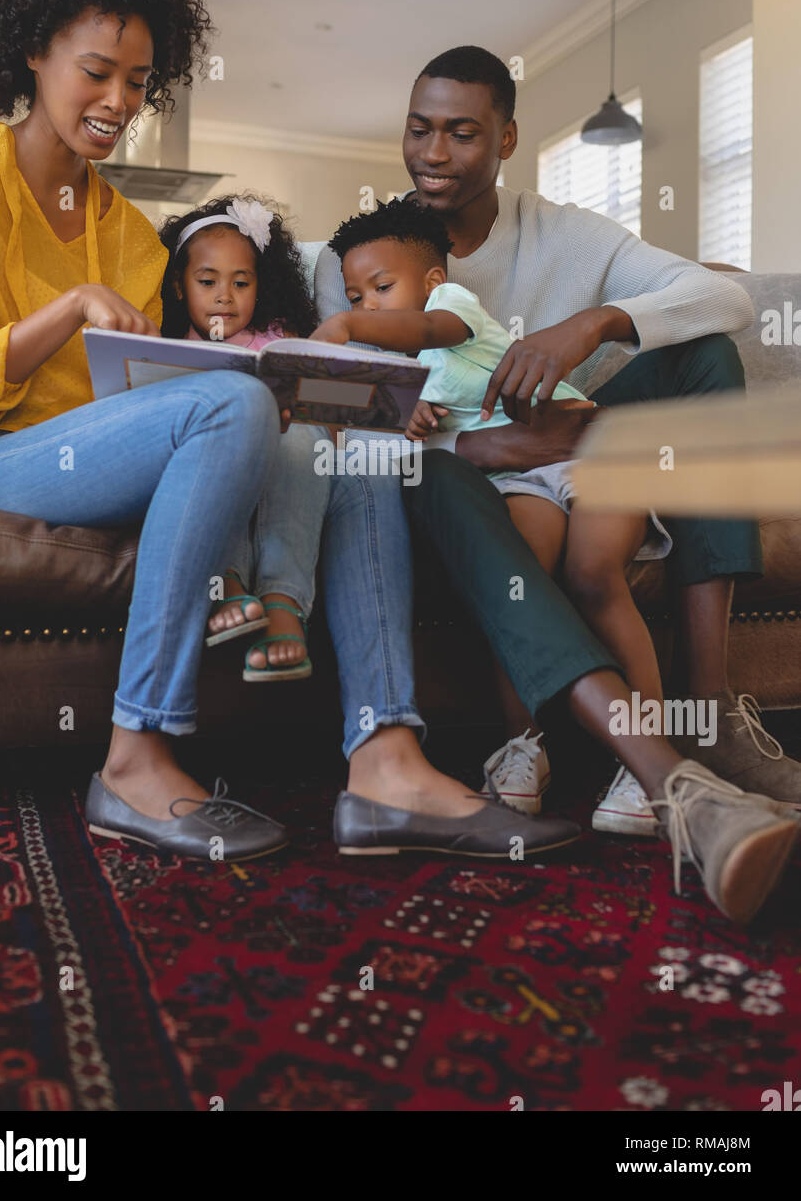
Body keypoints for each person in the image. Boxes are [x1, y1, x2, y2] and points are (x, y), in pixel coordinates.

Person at [0, 0, 576, 868]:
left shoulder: (128, 233)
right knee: (233, 405)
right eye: (98, 70)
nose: (120, 101)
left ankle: (385, 758)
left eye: (141, 83)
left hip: (102, 454)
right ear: (31, 51)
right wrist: (61, 314)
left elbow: (147, 393)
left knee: (347, 439)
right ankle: (134, 754)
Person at [314, 44, 801, 835]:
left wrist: (594, 323)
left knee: (705, 357)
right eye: (419, 128)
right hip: (460, 470)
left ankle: (710, 716)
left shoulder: (568, 236)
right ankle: (549, 744)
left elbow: (726, 301)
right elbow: (308, 390)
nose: (434, 154)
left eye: (462, 133)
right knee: (438, 478)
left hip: (577, 429)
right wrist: (480, 450)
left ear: (506, 140)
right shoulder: (355, 259)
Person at [159, 192, 326, 682]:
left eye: (241, 282)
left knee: (304, 439)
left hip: (284, 458)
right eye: (207, 281)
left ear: (261, 286)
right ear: (177, 286)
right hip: (220, 461)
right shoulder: (166, 349)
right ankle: (226, 582)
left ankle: (282, 601)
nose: (224, 297)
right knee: (215, 444)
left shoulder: (279, 340)